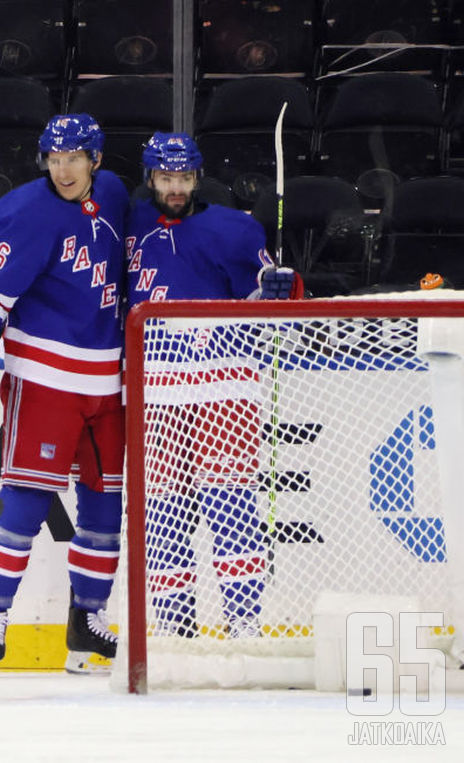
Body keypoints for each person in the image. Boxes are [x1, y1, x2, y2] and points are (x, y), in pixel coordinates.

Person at [0, 114, 129, 675]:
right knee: (26, 501)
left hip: (110, 381)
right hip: (46, 378)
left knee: (104, 509)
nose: (63, 169)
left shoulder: (118, 193)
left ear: (95, 160)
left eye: (74, 158)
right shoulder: (27, 213)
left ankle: (87, 619)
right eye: (54, 159)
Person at [124, 132, 301, 639]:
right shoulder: (128, 225)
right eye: (165, 178)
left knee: (232, 507)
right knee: (163, 513)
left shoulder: (236, 229)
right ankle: (175, 630)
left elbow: (277, 319)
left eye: (183, 178)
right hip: (154, 388)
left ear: (197, 178)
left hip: (225, 388)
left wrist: (278, 295)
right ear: (151, 179)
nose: (175, 188)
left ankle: (244, 626)